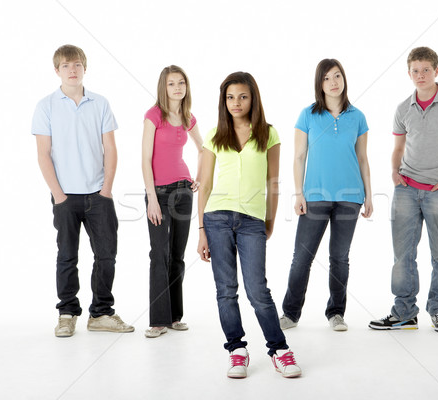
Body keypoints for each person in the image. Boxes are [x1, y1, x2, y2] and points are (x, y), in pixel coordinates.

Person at [369, 47, 438, 332]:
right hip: (406, 189)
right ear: (409, 73)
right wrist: (394, 173)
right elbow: (398, 148)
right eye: (415, 71)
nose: (420, 76)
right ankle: (404, 312)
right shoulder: (402, 108)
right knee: (402, 255)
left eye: (426, 70)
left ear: (436, 71)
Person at [197, 72, 301, 379]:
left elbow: (273, 182)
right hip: (215, 218)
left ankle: (279, 349)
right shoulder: (215, 134)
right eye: (230, 97)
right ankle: (236, 350)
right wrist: (201, 230)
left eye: (242, 96)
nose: (236, 103)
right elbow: (204, 185)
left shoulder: (268, 133)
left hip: (252, 220)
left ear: (253, 98)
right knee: (226, 290)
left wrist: (268, 220)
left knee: (258, 289)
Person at [32, 44, 134, 337]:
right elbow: (43, 154)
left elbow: (110, 149)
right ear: (57, 71)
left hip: (98, 195)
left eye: (77, 65)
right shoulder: (45, 106)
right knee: (67, 256)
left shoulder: (100, 103)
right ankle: (67, 313)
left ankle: (101, 313)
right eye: (66, 66)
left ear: (84, 68)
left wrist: (106, 190)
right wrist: (59, 195)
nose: (72, 70)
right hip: (64, 196)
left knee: (107, 256)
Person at [279, 59, 372, 332]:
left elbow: (363, 159)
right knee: (302, 257)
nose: (333, 82)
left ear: (344, 79)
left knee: (339, 257)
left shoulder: (358, 116)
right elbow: (298, 157)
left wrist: (368, 195)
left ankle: (336, 313)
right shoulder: (307, 115)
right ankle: (290, 314)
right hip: (315, 196)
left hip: (350, 196)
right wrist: (299, 193)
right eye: (327, 78)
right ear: (319, 84)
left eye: (337, 76)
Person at [141, 65, 203, 338]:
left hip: (183, 191)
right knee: (159, 253)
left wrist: (198, 177)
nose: (177, 87)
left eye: (181, 83)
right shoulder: (153, 115)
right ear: (162, 88)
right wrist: (152, 198)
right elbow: (144, 159)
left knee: (177, 255)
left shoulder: (188, 117)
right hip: (159, 193)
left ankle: (175, 316)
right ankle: (158, 320)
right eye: (171, 83)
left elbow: (204, 149)